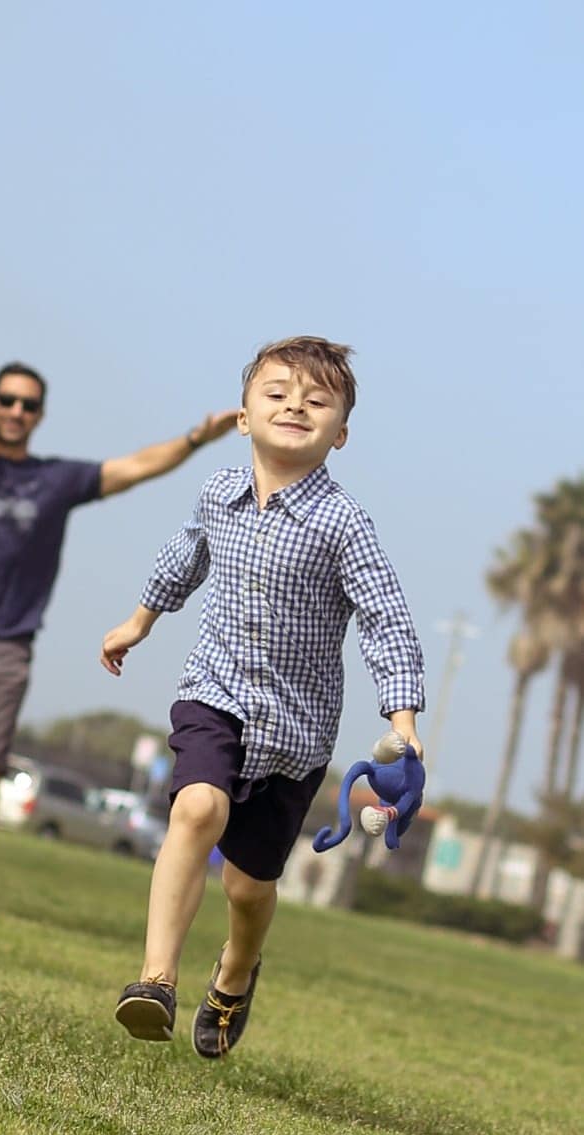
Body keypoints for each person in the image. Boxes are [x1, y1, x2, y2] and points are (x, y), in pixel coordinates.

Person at [100, 336, 425, 1059]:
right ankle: (155, 980)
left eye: (315, 401)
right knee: (195, 806)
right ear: (244, 417)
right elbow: (185, 553)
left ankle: (236, 969)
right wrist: (140, 619)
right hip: (213, 691)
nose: (293, 407)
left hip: (295, 732)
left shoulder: (343, 524)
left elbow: (384, 617)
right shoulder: (217, 493)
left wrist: (401, 720)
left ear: (338, 433)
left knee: (248, 890)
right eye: (275, 394)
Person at [0, 362, 237, 909]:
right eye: (7, 400)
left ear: (40, 416)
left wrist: (197, 437)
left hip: (5, 646)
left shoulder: (55, 480)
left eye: (28, 405)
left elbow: (136, 467)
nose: (16, 411)